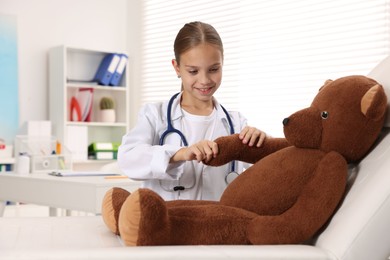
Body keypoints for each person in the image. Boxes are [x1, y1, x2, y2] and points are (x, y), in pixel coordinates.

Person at [118, 21, 266, 201]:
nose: (204, 80)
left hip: (217, 224)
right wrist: (179, 154)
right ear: (177, 67)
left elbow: (265, 172)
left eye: (213, 69)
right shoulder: (155, 115)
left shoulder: (236, 123)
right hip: (170, 224)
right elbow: (128, 159)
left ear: (222, 64)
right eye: (193, 71)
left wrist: (261, 140)